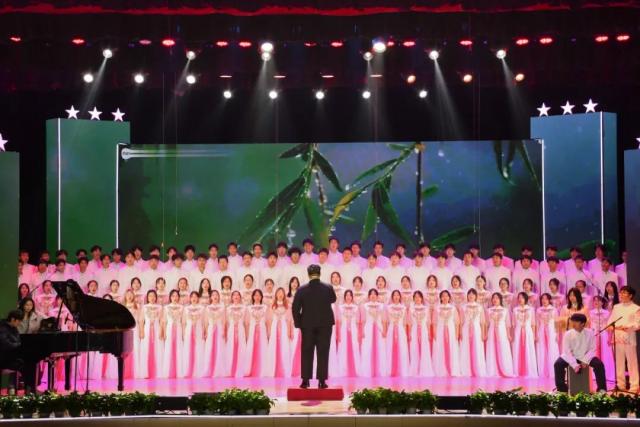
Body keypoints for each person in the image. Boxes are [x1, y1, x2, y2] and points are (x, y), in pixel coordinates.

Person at [292, 264, 337, 389]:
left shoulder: (301, 289)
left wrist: (298, 324)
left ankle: (305, 381)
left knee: (306, 351)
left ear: (308, 274)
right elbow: (333, 299)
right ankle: (322, 381)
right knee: (323, 352)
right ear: (320, 273)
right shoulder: (328, 287)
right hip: (325, 325)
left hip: (307, 325)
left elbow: (295, 308)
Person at [554, 313, 607, 392]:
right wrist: (574, 364)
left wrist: (585, 360)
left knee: (599, 364)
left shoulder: (590, 333)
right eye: (572, 322)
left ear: (582, 324)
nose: (573, 324)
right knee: (558, 364)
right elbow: (567, 350)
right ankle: (562, 390)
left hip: (585, 356)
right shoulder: (568, 333)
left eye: (576, 322)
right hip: (571, 356)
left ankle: (601, 389)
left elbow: (592, 349)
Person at [608, 286, 640, 393]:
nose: (621, 294)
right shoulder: (616, 307)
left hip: (629, 337)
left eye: (624, 292)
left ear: (630, 295)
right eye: (620, 292)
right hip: (617, 337)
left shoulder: (636, 308)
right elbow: (610, 321)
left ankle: (634, 385)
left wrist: (627, 326)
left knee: (632, 362)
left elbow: (637, 324)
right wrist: (611, 328)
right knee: (619, 362)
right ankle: (620, 385)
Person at [0, 310, 35, 392]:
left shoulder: (14, 328)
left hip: (11, 356)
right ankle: (25, 388)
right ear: (13, 319)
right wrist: (18, 345)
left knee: (30, 363)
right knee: (25, 364)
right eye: (18, 321)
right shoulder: (2, 328)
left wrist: (19, 345)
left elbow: (18, 341)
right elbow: (5, 344)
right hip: (3, 358)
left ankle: (28, 388)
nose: (19, 323)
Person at [432, 290, 461, 377]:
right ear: (440, 298)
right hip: (440, 330)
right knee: (440, 348)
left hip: (451, 331)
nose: (445, 297)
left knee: (452, 349)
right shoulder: (437, 308)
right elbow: (434, 323)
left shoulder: (453, 308)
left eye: (446, 296)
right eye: (443, 296)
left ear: (449, 298)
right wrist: (435, 334)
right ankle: (442, 370)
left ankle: (453, 370)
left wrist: (456, 334)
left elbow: (457, 322)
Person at [460, 289, 487, 377]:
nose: (471, 295)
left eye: (473, 294)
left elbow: (482, 322)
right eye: (469, 294)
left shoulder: (479, 307)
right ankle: (465, 369)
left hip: (477, 329)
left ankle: (478, 368)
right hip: (465, 329)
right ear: (467, 296)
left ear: (476, 296)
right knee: (465, 347)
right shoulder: (463, 307)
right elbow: (461, 321)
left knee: (477, 347)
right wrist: (460, 332)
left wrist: (483, 333)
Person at [512, 292, 538, 377]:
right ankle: (517, 371)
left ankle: (530, 371)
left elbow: (533, 324)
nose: (520, 299)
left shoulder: (531, 309)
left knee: (528, 350)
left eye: (522, 298)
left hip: (528, 331)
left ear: (526, 299)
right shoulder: (515, 309)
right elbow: (513, 324)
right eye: (519, 298)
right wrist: (513, 335)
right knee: (517, 350)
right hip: (518, 331)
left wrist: (533, 335)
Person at [201, 290, 226, 378]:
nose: (215, 296)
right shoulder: (207, 308)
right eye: (213, 295)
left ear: (219, 297)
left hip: (219, 329)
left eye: (216, 295)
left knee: (219, 348)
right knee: (210, 348)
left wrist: (224, 331)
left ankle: (219, 370)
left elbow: (224, 321)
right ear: (211, 297)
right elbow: (206, 321)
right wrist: (205, 332)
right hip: (211, 329)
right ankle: (209, 369)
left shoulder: (222, 307)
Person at [408, 290, 434, 376]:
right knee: (414, 348)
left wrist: (429, 333)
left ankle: (424, 369)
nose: (417, 298)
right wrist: (409, 333)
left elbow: (428, 322)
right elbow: (410, 322)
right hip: (414, 330)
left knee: (424, 348)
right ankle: (415, 369)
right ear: (413, 299)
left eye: (419, 297)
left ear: (422, 298)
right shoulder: (411, 309)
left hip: (423, 330)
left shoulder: (426, 309)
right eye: (415, 297)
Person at [386, 290, 409, 377]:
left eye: (397, 295)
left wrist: (406, 333)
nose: (396, 297)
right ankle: (391, 369)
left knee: (401, 348)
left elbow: (405, 322)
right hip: (391, 329)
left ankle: (401, 369)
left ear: (400, 297)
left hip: (400, 330)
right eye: (394, 295)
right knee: (390, 348)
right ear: (392, 297)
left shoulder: (403, 308)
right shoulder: (389, 307)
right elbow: (386, 321)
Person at [337, 290, 361, 377]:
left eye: (350, 295)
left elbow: (358, 322)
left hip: (353, 329)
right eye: (346, 295)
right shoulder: (340, 307)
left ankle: (355, 369)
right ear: (344, 297)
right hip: (343, 329)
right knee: (343, 347)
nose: (348, 297)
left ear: (352, 297)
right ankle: (343, 369)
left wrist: (358, 332)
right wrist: (338, 333)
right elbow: (339, 322)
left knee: (354, 347)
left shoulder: (356, 307)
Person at [536, 293, 559, 379]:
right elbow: (537, 323)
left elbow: (557, 322)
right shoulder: (539, 310)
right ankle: (542, 372)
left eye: (546, 299)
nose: (544, 300)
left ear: (549, 300)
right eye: (542, 299)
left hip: (552, 331)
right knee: (542, 350)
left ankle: (553, 372)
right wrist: (536, 334)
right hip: (541, 331)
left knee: (552, 349)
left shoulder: (554, 310)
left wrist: (557, 334)